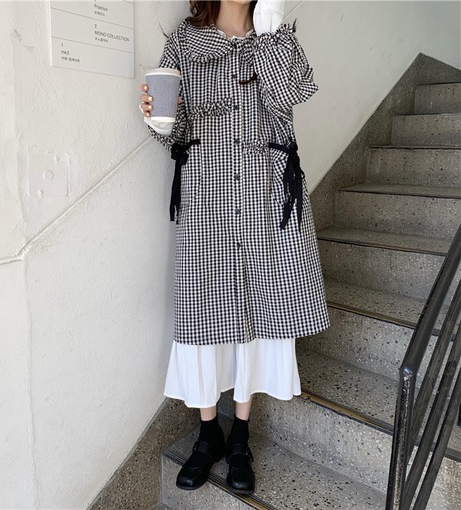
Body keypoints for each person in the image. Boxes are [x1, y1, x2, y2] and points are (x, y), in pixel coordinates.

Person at [139, 0, 329, 496]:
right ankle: (208, 434)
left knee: (260, 315)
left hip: (266, 198)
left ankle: (239, 433)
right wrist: (158, 120)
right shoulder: (185, 41)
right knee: (203, 315)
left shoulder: (277, 37)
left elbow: (294, 93)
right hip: (208, 200)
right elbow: (177, 132)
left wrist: (270, 35)